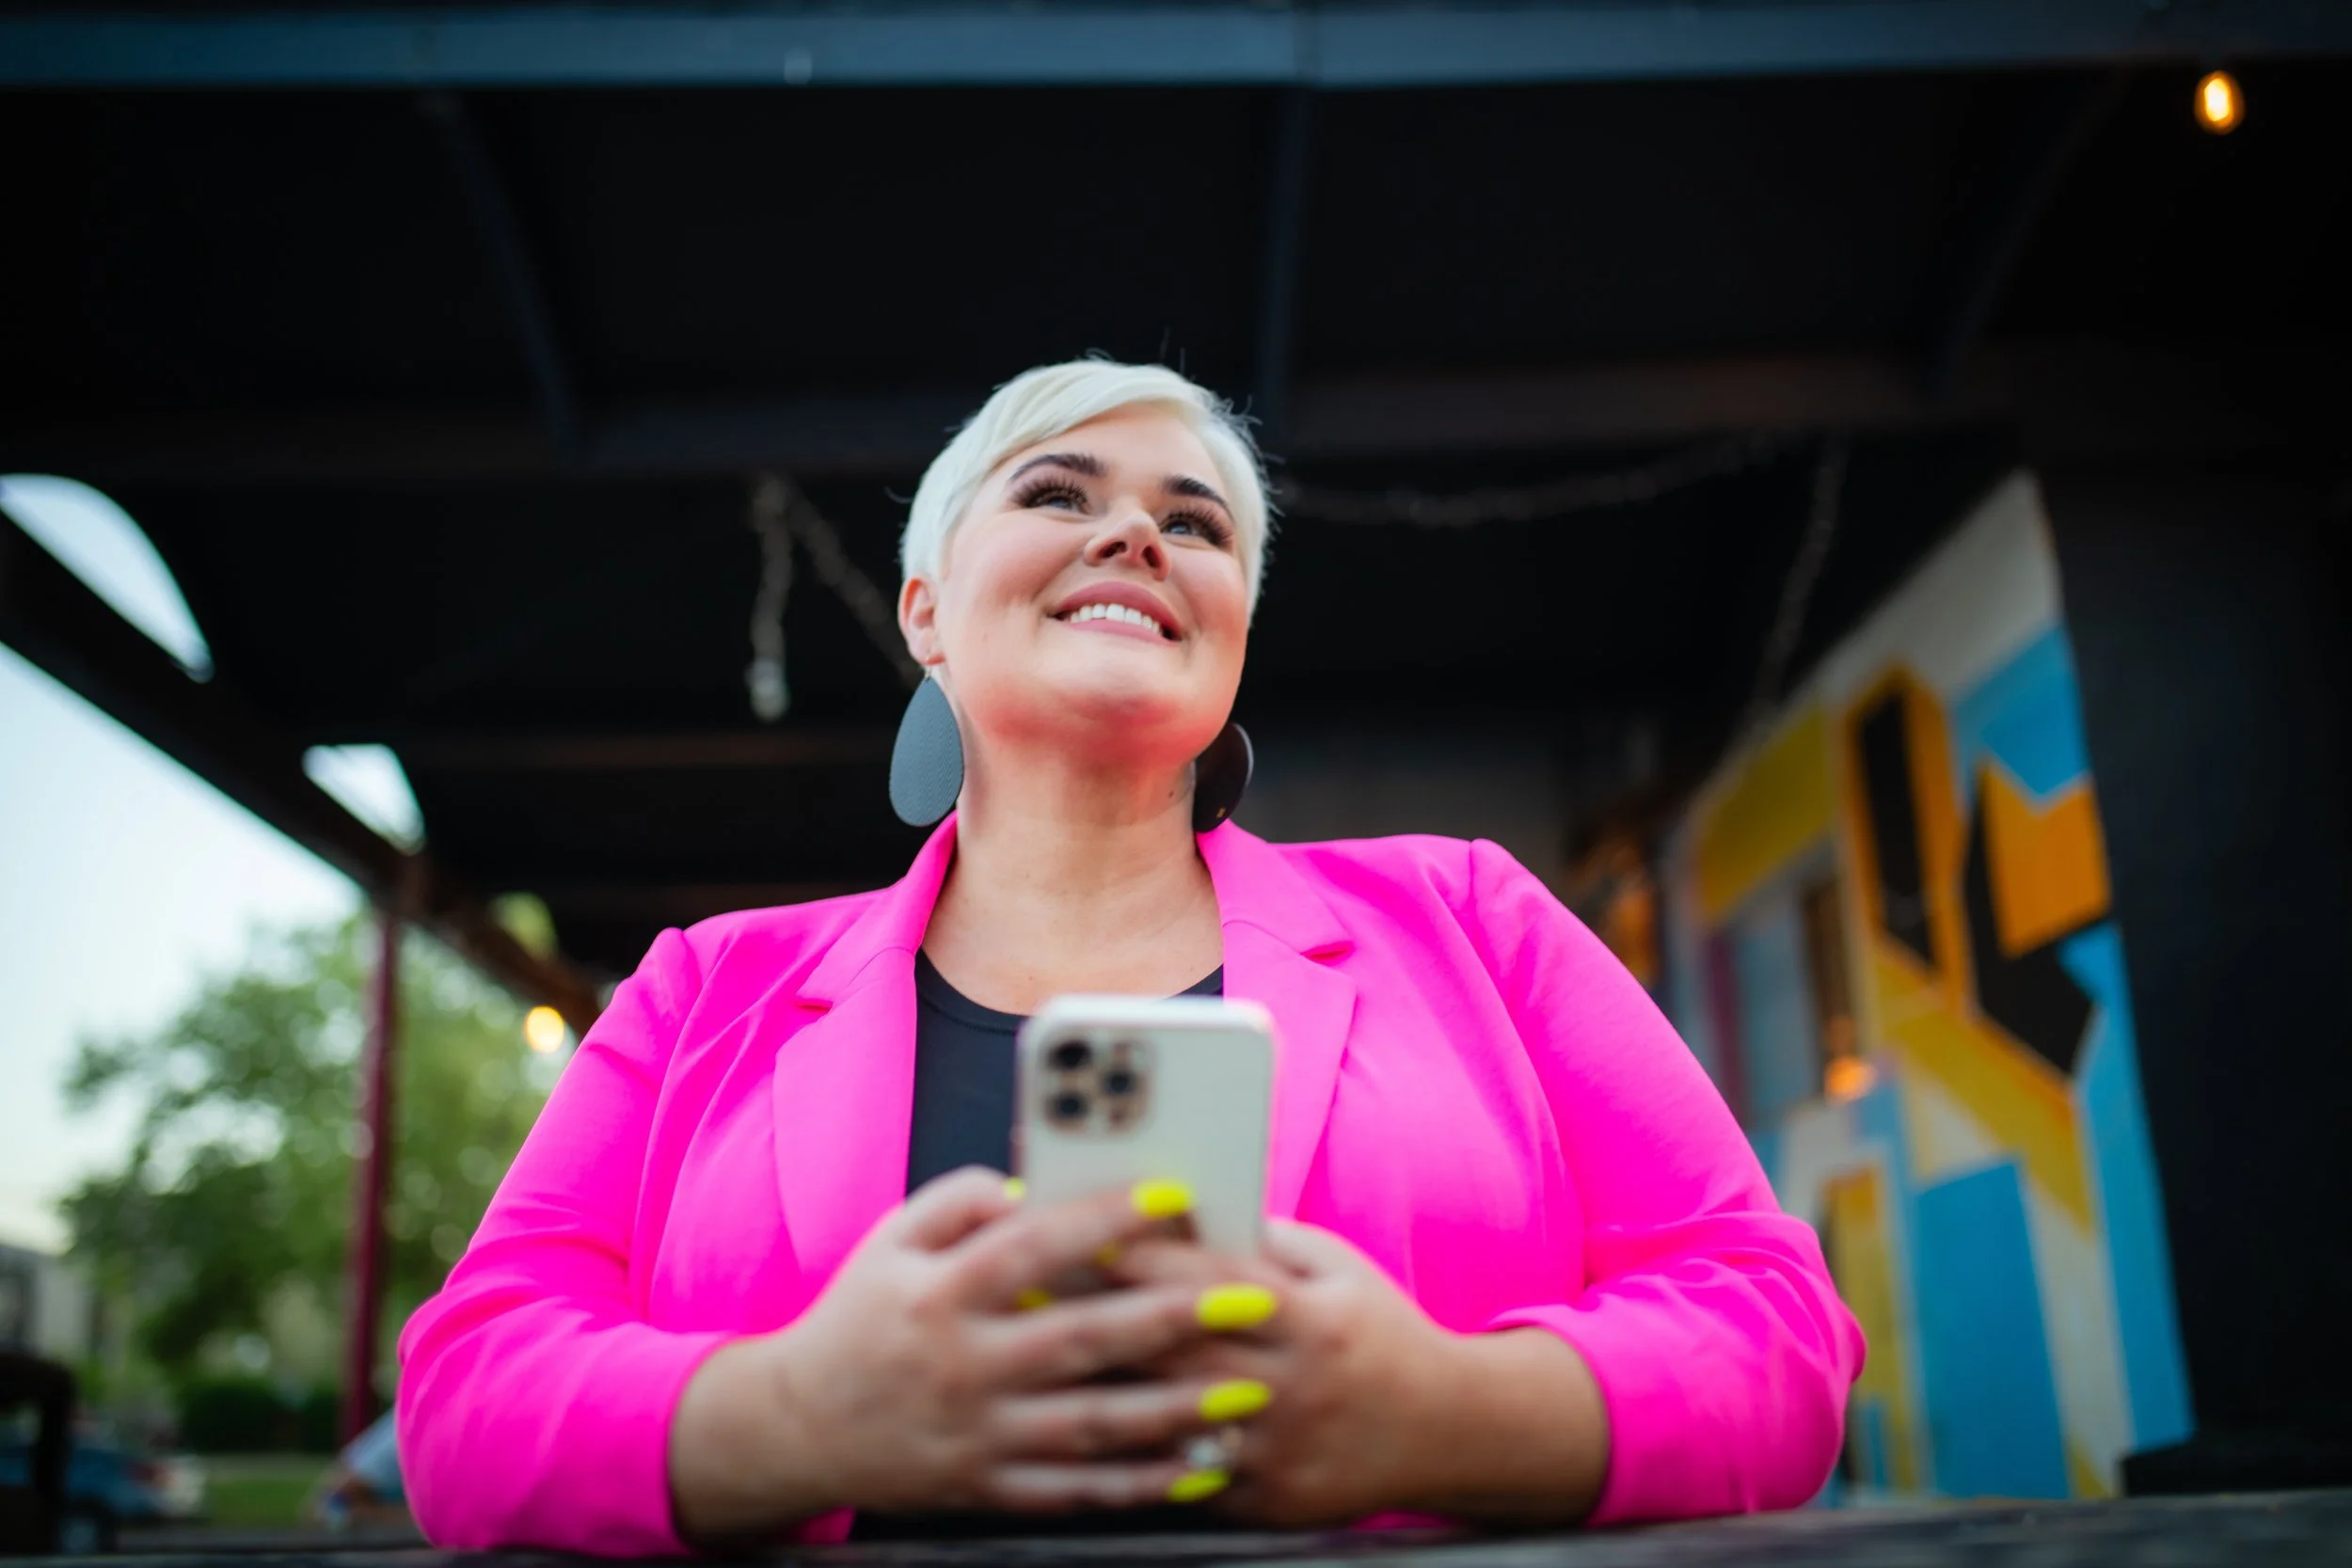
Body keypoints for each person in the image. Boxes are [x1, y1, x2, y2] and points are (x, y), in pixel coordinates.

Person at [396, 359, 1865, 1554]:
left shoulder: (1473, 918)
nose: (1138, 535)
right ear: (924, 612)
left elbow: (1778, 1326)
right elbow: (464, 1396)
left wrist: (1449, 1412)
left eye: (1199, 521)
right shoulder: (700, 987)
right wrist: (788, 1416)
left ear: (1232, 629)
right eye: (1057, 492)